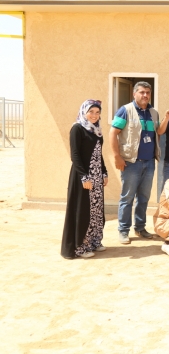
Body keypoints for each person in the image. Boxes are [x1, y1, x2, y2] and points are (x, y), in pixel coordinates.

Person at [109, 81, 160, 244]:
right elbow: (113, 133)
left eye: (148, 93)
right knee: (127, 197)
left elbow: (157, 133)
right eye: (142, 92)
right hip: (131, 162)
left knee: (144, 197)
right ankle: (123, 230)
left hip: (149, 162)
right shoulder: (126, 110)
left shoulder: (153, 112)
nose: (145, 95)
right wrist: (117, 156)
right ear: (134, 93)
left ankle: (140, 227)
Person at [62, 99, 108, 259]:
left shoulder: (96, 130)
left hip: (96, 176)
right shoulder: (77, 129)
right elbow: (75, 155)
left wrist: (104, 172)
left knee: (96, 210)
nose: (94, 115)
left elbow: (98, 154)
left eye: (97, 112)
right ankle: (81, 247)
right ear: (84, 112)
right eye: (91, 112)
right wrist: (84, 177)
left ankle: (94, 241)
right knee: (83, 210)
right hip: (83, 176)